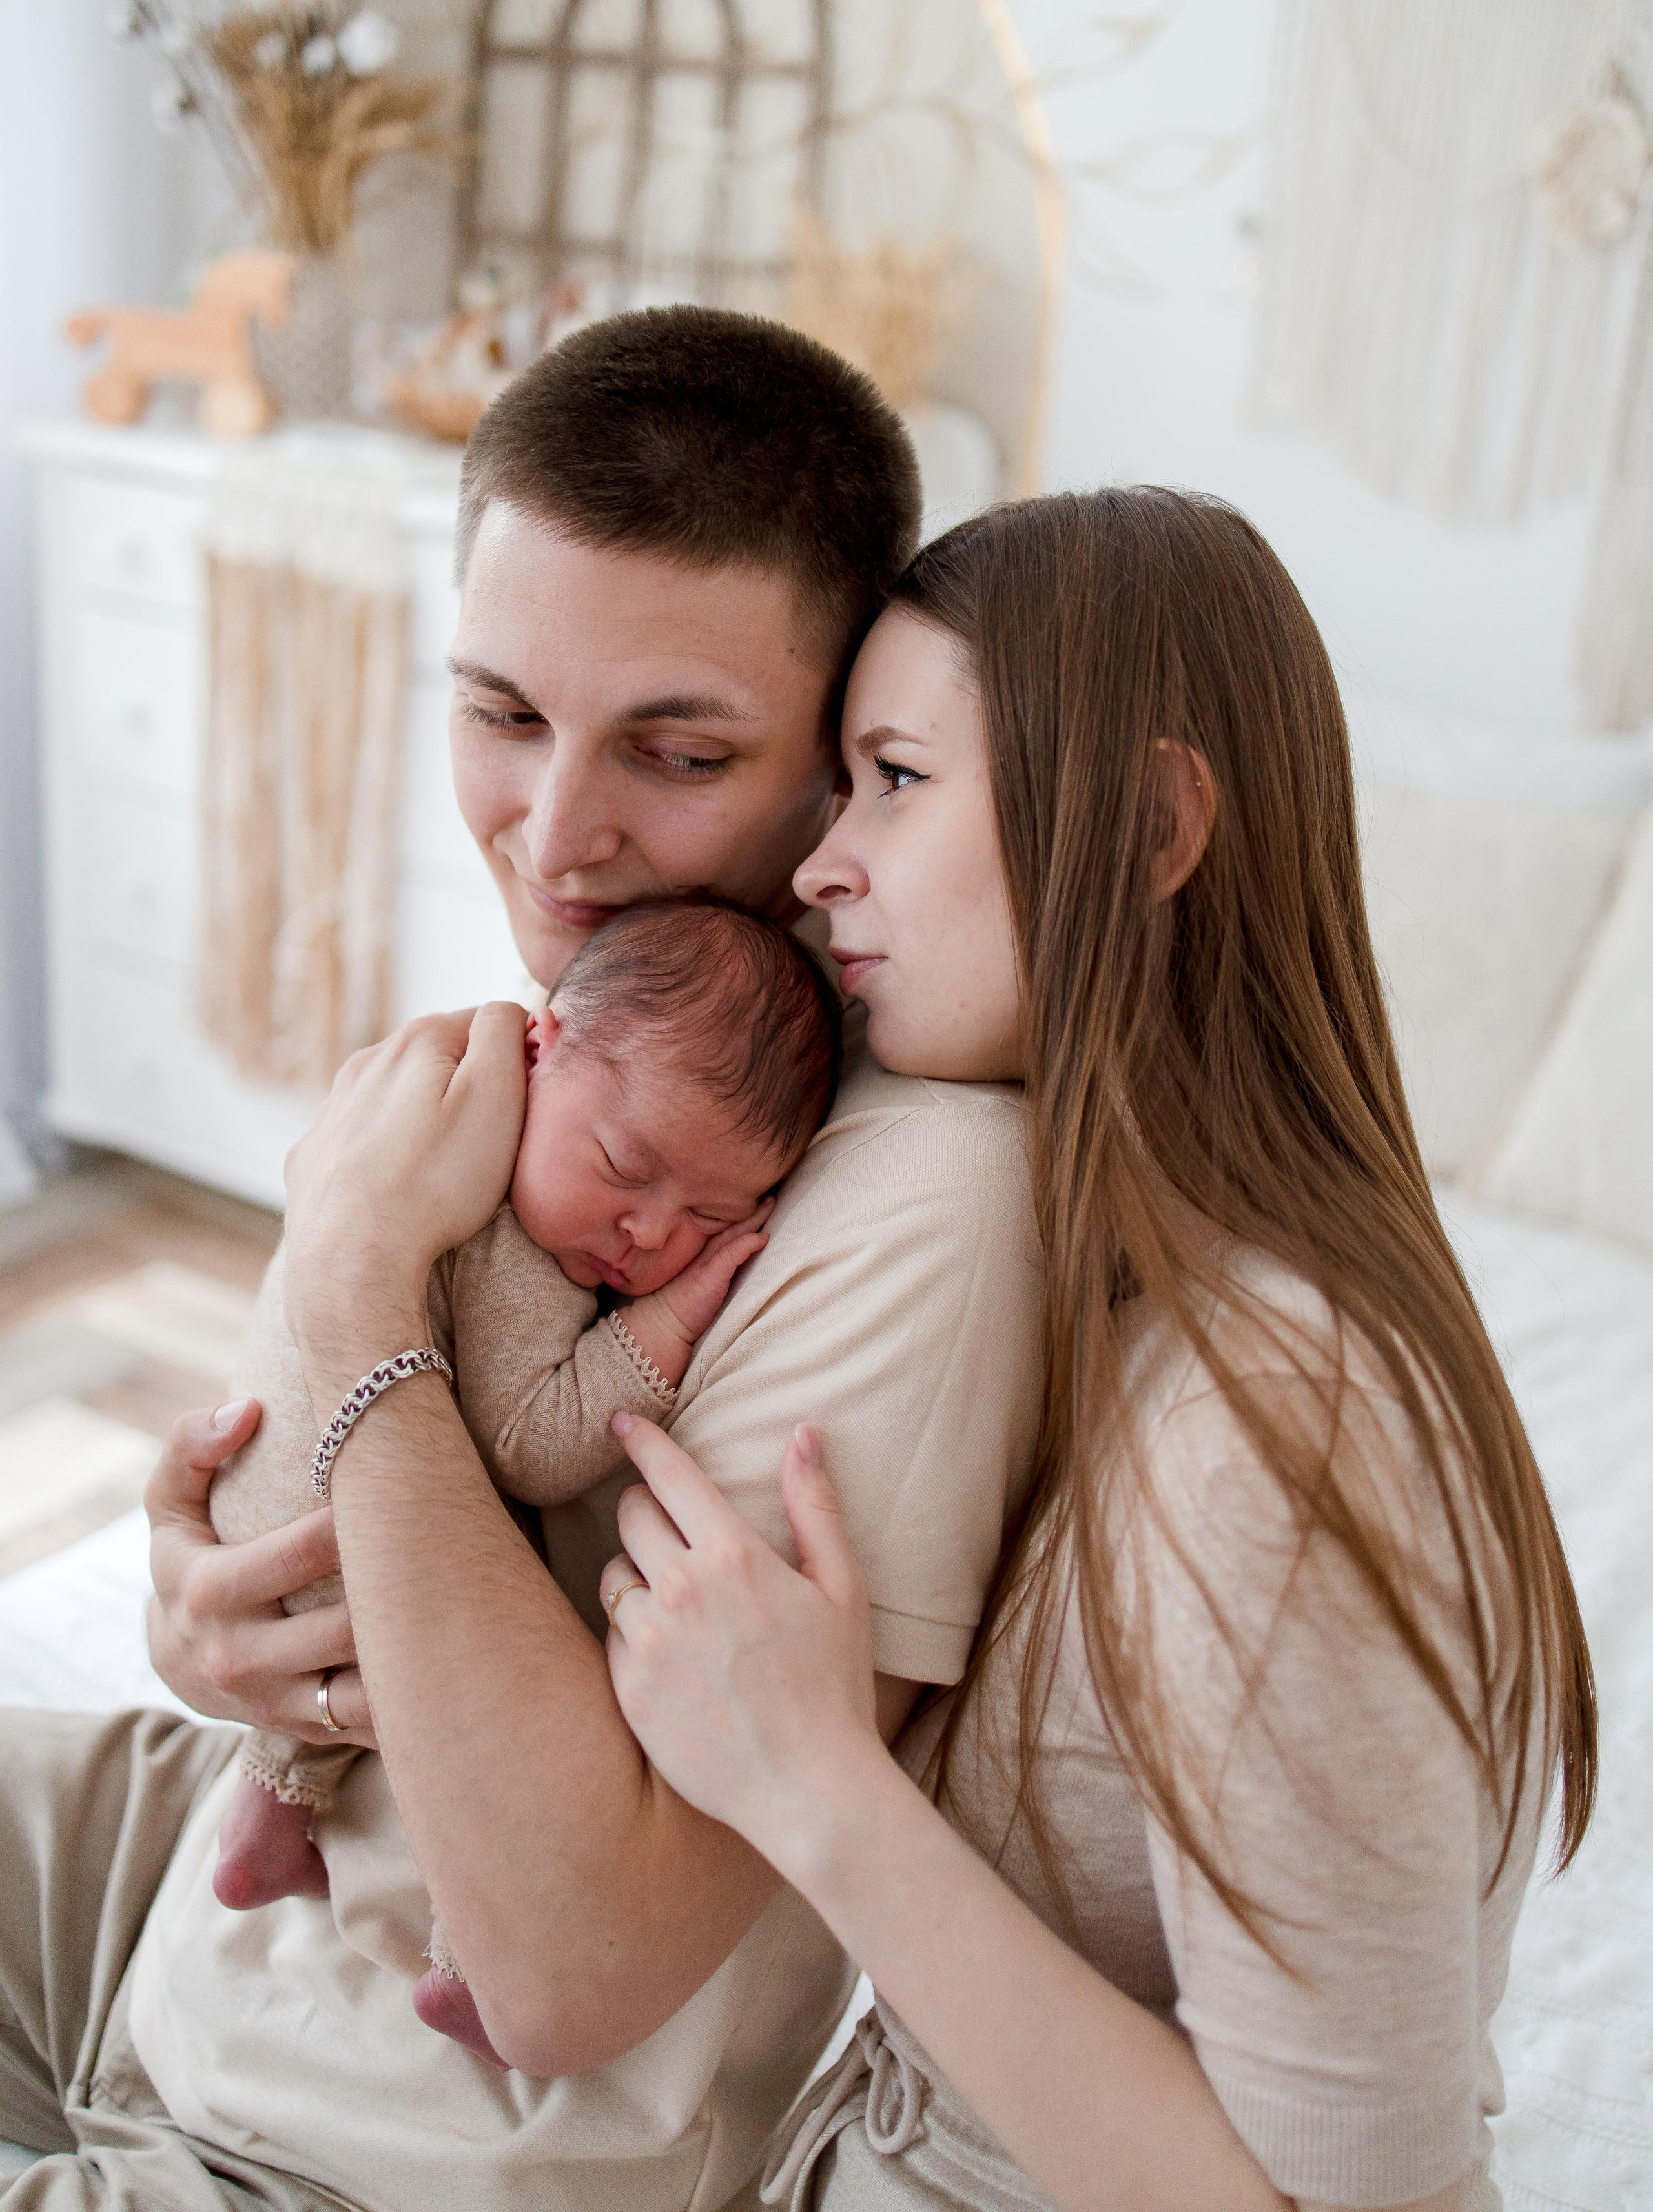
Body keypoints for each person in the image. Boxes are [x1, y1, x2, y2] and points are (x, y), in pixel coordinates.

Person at [0, 311, 1044, 2211]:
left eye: (680, 747)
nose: (555, 842)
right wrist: (206, 1618)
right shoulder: (605, 1029)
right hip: (184, 1907)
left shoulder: (916, 1205)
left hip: (361, 2145)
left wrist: (346, 1284)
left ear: (841, 761)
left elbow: (574, 1970)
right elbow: (374, 1477)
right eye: (500, 713)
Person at [589, 488, 1599, 2212]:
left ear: (1141, 825)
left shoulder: (1278, 1430)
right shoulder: (1076, 1272)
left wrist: (823, 1789)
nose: (825, 863)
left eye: (897, 781)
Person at [207, 894, 839, 2067]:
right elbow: (531, 1442)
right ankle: (468, 1954)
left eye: (711, 1217)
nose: (646, 1234)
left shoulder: (421, 1112)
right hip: (331, 1555)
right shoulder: (505, 1241)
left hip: (244, 1514)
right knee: (521, 1611)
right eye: (625, 1166)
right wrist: (670, 1319)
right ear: (541, 1051)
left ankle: (267, 1811)